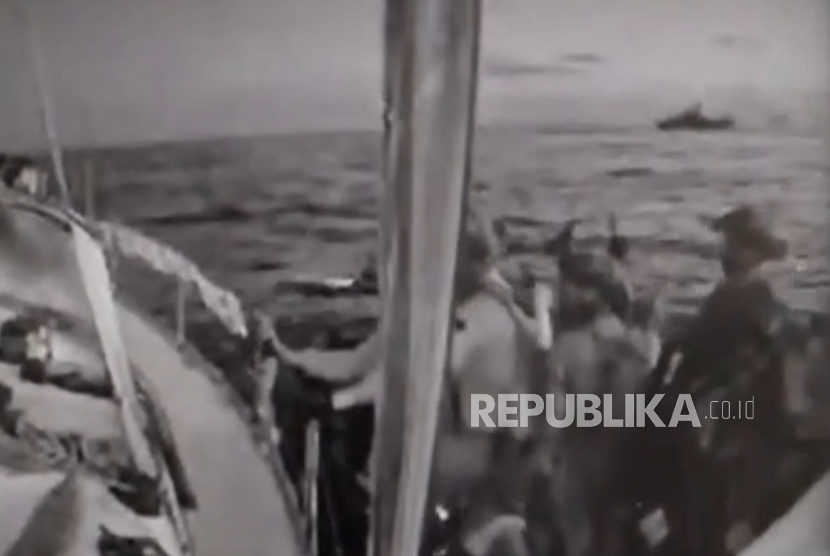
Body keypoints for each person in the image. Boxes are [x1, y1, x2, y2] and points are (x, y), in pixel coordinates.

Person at [668, 204, 789, 556]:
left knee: (706, 513)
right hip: (740, 415)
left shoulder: (731, 298)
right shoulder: (762, 296)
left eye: (729, 244)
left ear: (749, 250)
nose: (722, 251)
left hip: (718, 419)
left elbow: (695, 358)